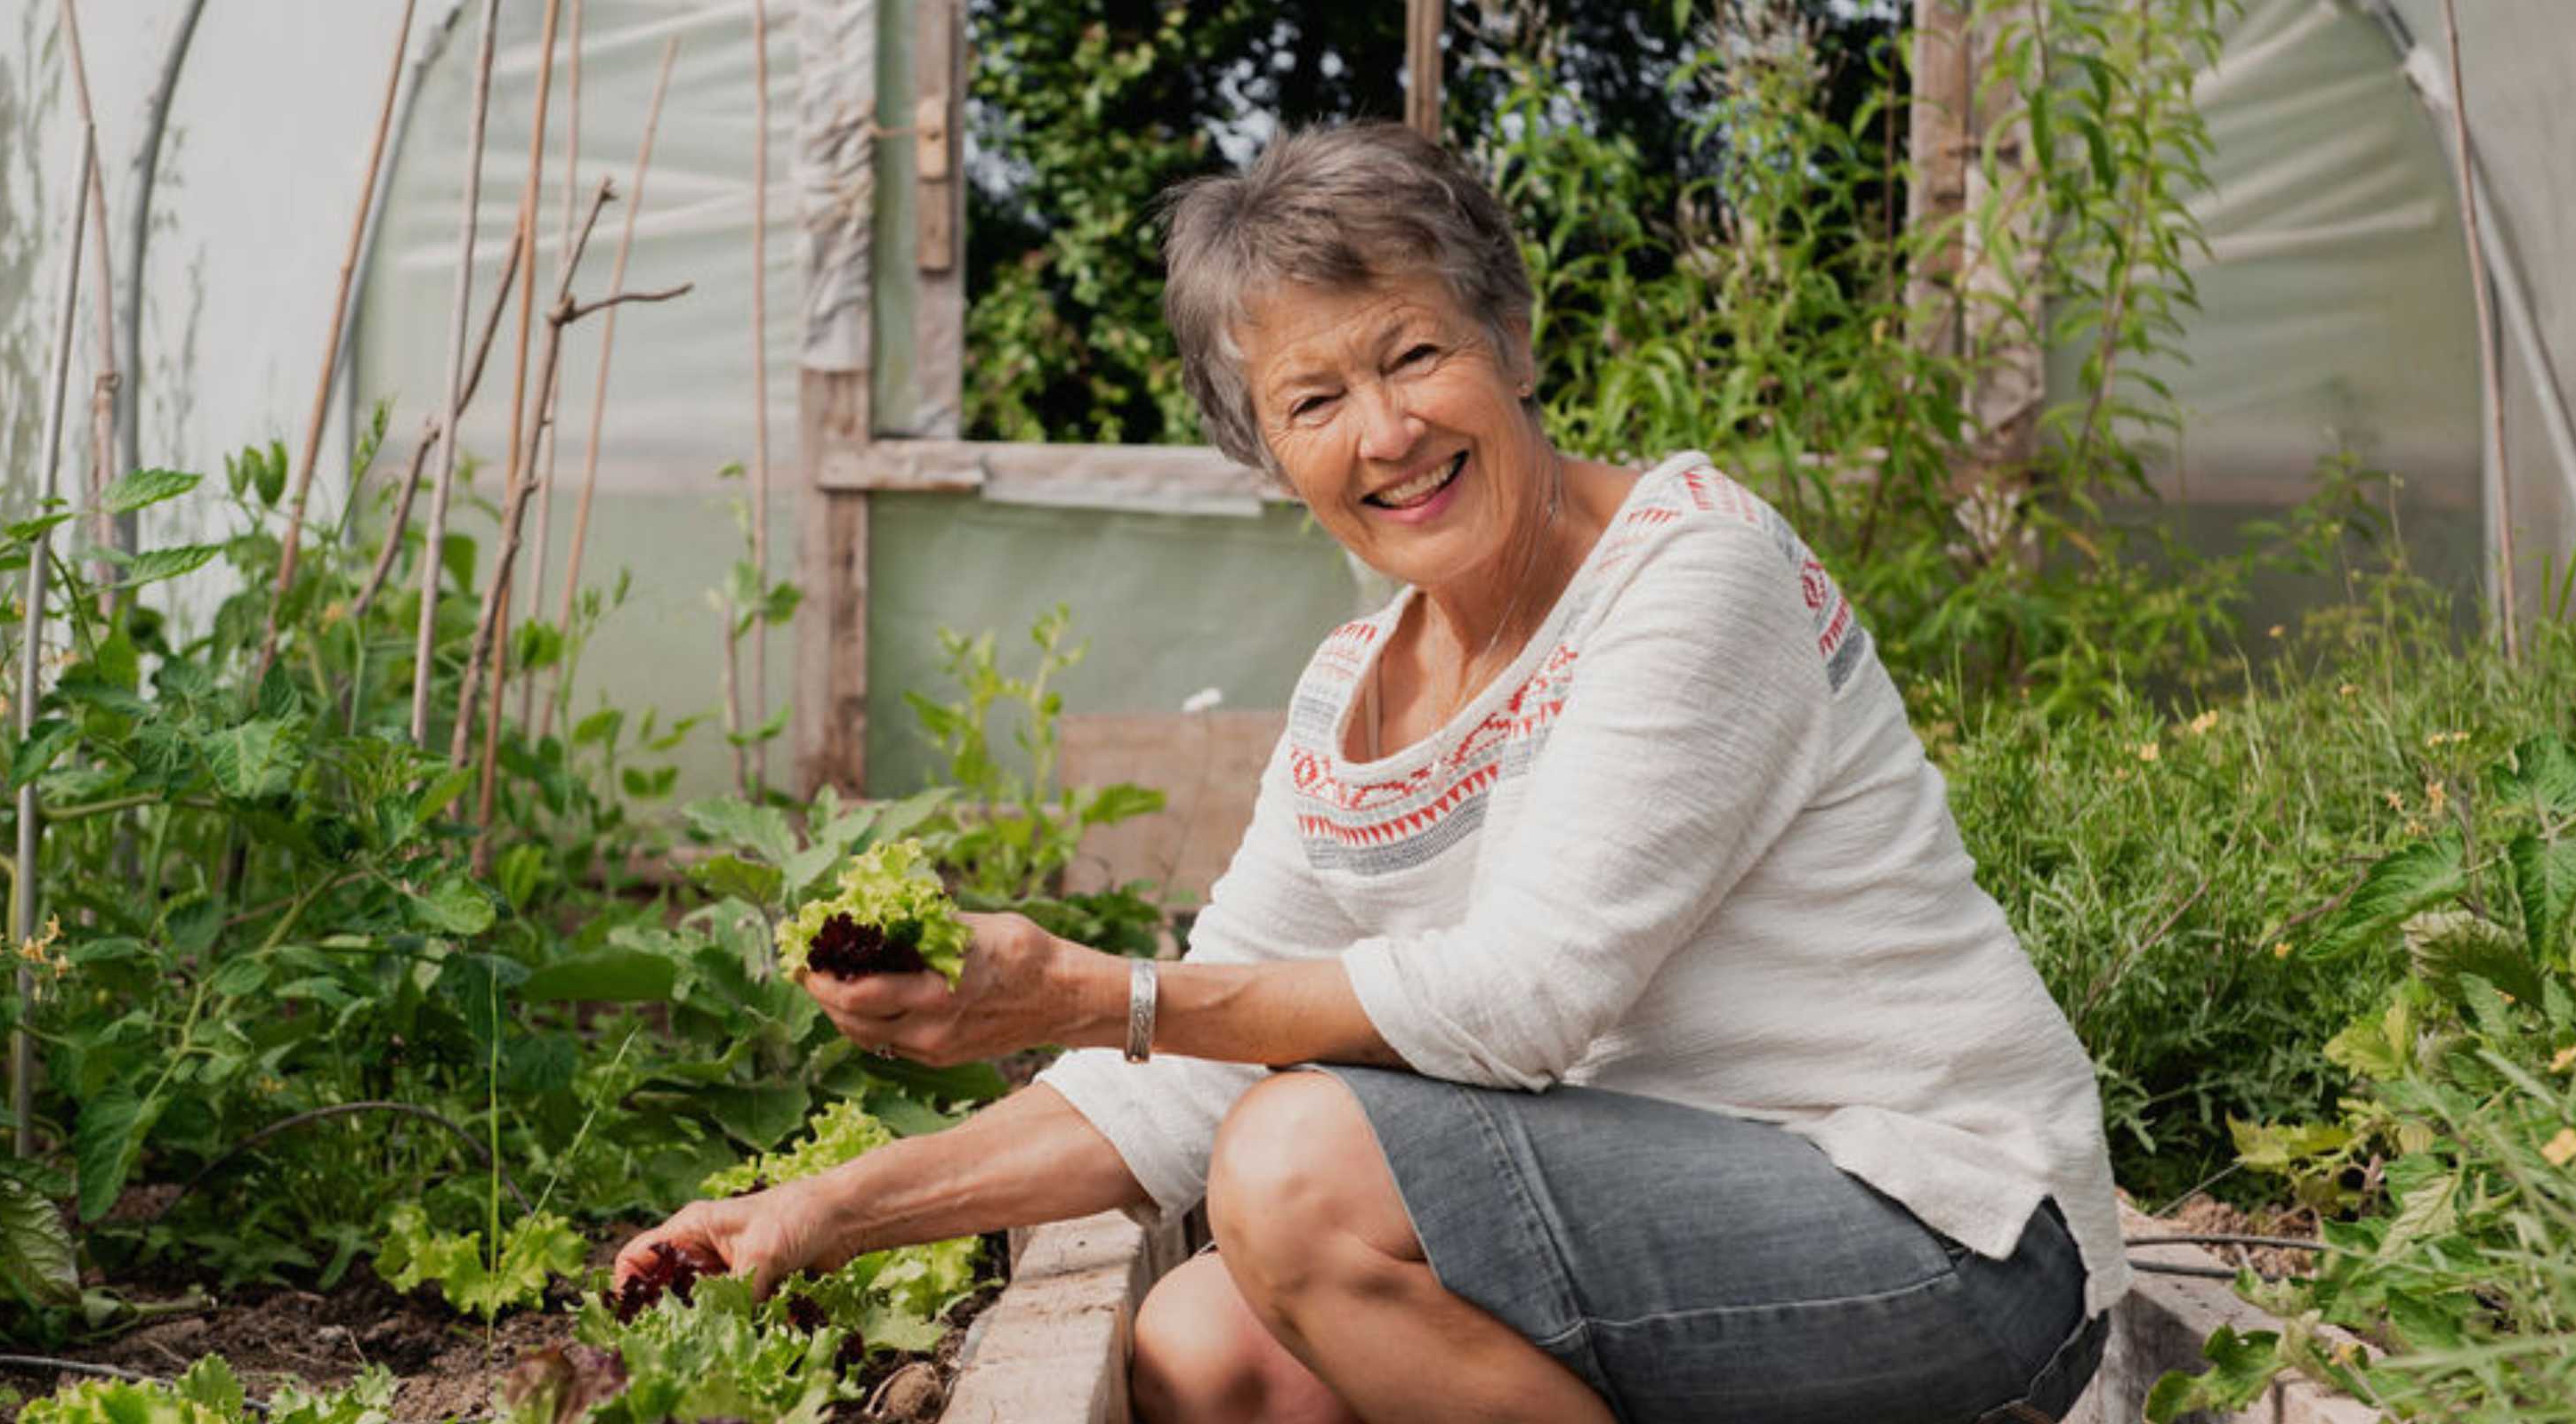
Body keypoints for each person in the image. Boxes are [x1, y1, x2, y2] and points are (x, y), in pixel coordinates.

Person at [615, 120, 2124, 1424]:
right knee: (1205, 1349)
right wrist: (822, 1214)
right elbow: (1184, 1072)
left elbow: (1526, 1002)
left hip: (1950, 1241)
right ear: (1267, 451)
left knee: (1296, 1170)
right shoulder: (1354, 695)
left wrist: (1086, 990)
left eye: (1416, 355)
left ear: (1512, 347)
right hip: (1673, 1235)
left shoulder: (1689, 572)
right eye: (1315, 400)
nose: (1389, 433)